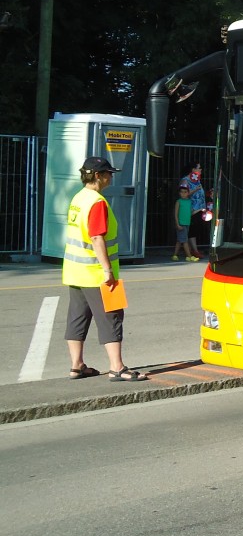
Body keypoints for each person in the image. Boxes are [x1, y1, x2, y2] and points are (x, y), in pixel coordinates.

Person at [63, 156, 148, 382]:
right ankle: (117, 368)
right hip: (96, 273)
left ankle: (77, 365)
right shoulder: (97, 202)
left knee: (77, 318)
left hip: (75, 271)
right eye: (108, 173)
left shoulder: (78, 198)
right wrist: (107, 270)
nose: (111, 177)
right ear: (98, 176)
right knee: (112, 317)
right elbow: (96, 237)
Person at [179, 162, 207, 258]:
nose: (200, 170)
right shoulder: (185, 180)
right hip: (191, 209)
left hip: (199, 209)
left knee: (196, 228)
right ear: (193, 170)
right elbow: (184, 195)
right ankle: (194, 250)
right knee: (192, 229)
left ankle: (192, 249)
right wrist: (195, 190)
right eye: (199, 168)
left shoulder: (197, 180)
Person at [172, 185, 200, 261]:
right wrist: (177, 224)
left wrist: (200, 209)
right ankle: (189, 256)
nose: (183, 194)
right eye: (181, 192)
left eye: (185, 192)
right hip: (181, 224)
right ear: (179, 193)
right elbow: (176, 214)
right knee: (185, 241)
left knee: (180, 240)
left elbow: (190, 212)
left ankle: (174, 255)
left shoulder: (189, 201)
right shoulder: (178, 202)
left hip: (187, 223)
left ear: (188, 193)